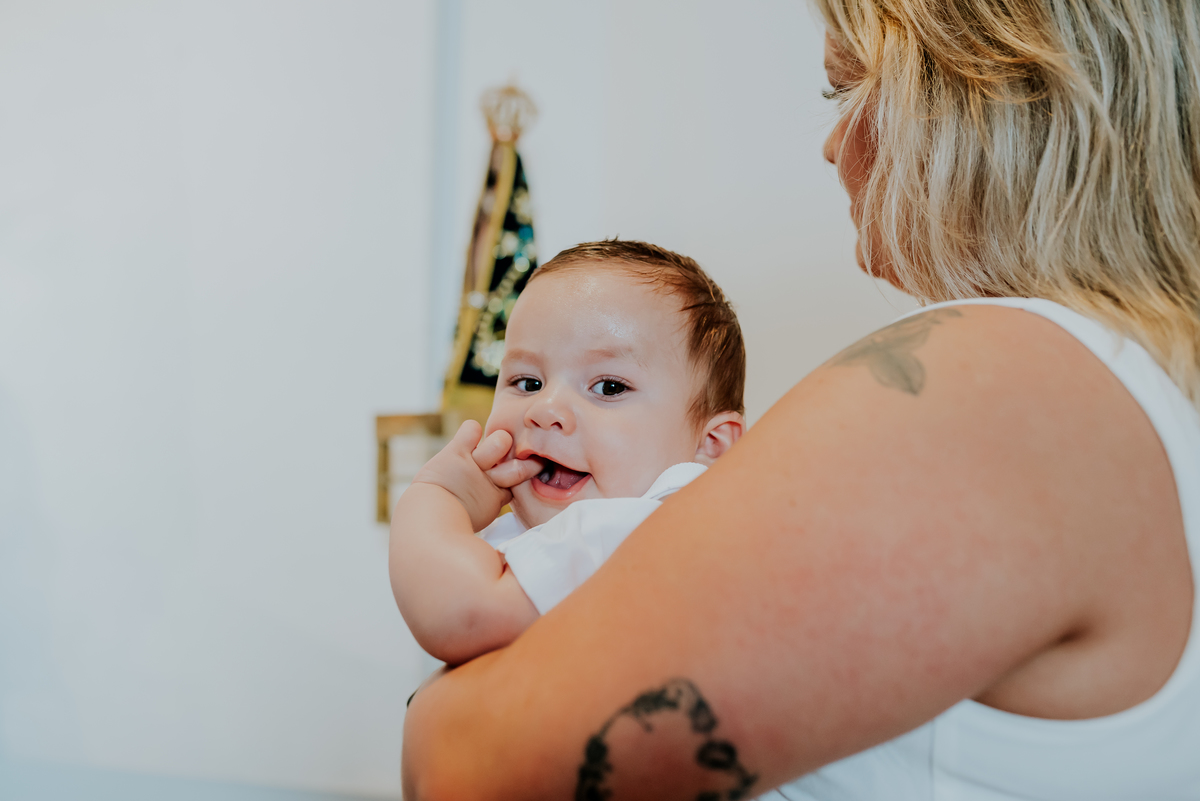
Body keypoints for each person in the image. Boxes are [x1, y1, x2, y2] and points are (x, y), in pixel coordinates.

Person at [401, 0, 1200, 798]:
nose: (830, 144)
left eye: (845, 91)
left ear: (983, 93)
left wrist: (441, 688)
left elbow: (463, 768)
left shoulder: (995, 378)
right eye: (526, 379)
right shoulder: (1144, 389)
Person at [389, 240, 746, 666]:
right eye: (527, 382)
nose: (545, 410)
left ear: (712, 446)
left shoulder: (635, 527)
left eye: (609, 387)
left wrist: (437, 497)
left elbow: (460, 614)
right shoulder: (559, 531)